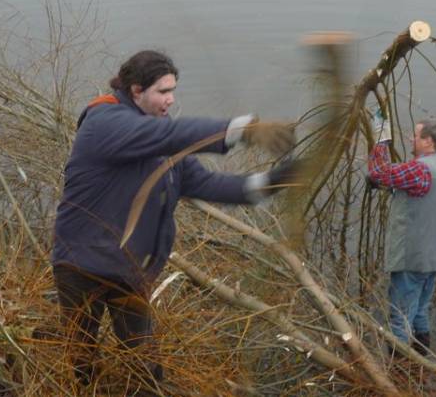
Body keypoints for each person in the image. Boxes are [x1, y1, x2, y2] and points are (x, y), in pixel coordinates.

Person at [52, 50, 299, 389]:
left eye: (173, 91)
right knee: (80, 361)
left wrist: (269, 184)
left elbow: (204, 183)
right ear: (136, 91)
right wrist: (241, 130)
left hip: (128, 270)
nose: (170, 100)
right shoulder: (104, 121)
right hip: (82, 265)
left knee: (144, 367)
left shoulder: (160, 133)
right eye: (162, 92)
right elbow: (166, 137)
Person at [367, 110, 436, 356]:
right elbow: (405, 180)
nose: (410, 139)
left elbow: (379, 173)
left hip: (415, 257)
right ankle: (421, 362)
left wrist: (381, 137)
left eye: (415, 135)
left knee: (399, 317)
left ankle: (397, 371)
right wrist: (388, 183)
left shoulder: (420, 170)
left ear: (428, 141)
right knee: (419, 310)